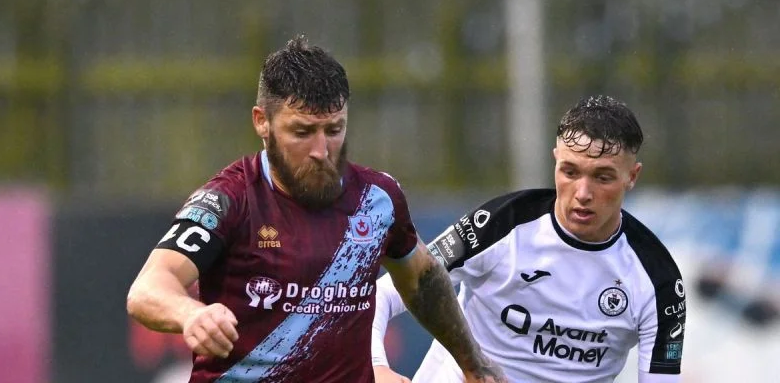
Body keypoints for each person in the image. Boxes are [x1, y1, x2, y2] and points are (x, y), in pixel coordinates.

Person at [125, 36, 506, 383]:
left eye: (334, 130)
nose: (321, 151)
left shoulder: (377, 199)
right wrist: (190, 314)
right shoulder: (229, 200)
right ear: (262, 122)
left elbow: (422, 281)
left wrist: (473, 364)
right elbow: (148, 288)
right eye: (303, 132)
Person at [372, 95, 686, 383]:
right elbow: (382, 294)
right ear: (555, 160)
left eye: (602, 177)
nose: (582, 193)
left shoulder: (659, 280)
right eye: (570, 172)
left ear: (632, 176)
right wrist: (376, 367)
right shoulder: (499, 225)